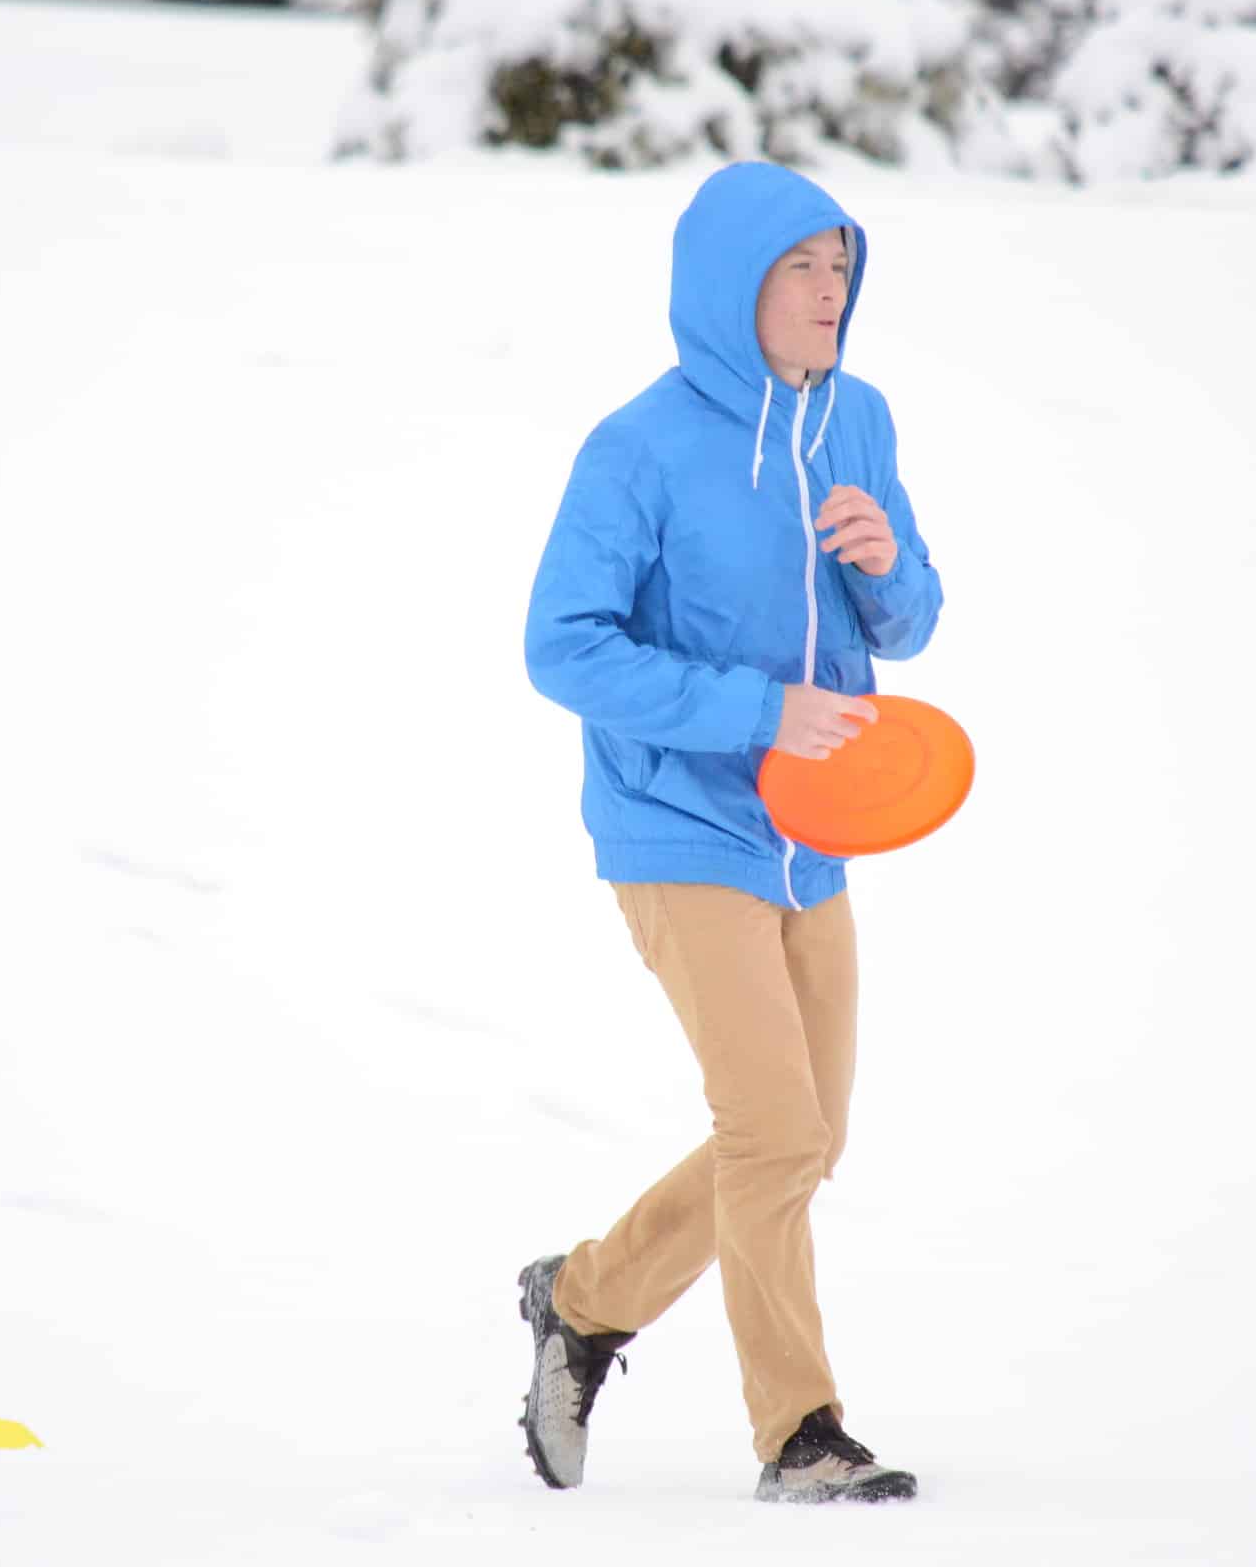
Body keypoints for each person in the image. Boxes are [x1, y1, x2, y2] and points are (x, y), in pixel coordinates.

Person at [516, 160, 944, 1505]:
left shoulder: (858, 419)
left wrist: (890, 567)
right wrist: (757, 710)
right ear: (728, 291)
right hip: (675, 823)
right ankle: (800, 1432)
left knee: (806, 1137)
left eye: (840, 268)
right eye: (799, 271)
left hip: (814, 837)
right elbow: (561, 648)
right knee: (772, 1129)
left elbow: (912, 622)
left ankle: (582, 1301)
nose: (828, 294)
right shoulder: (636, 448)